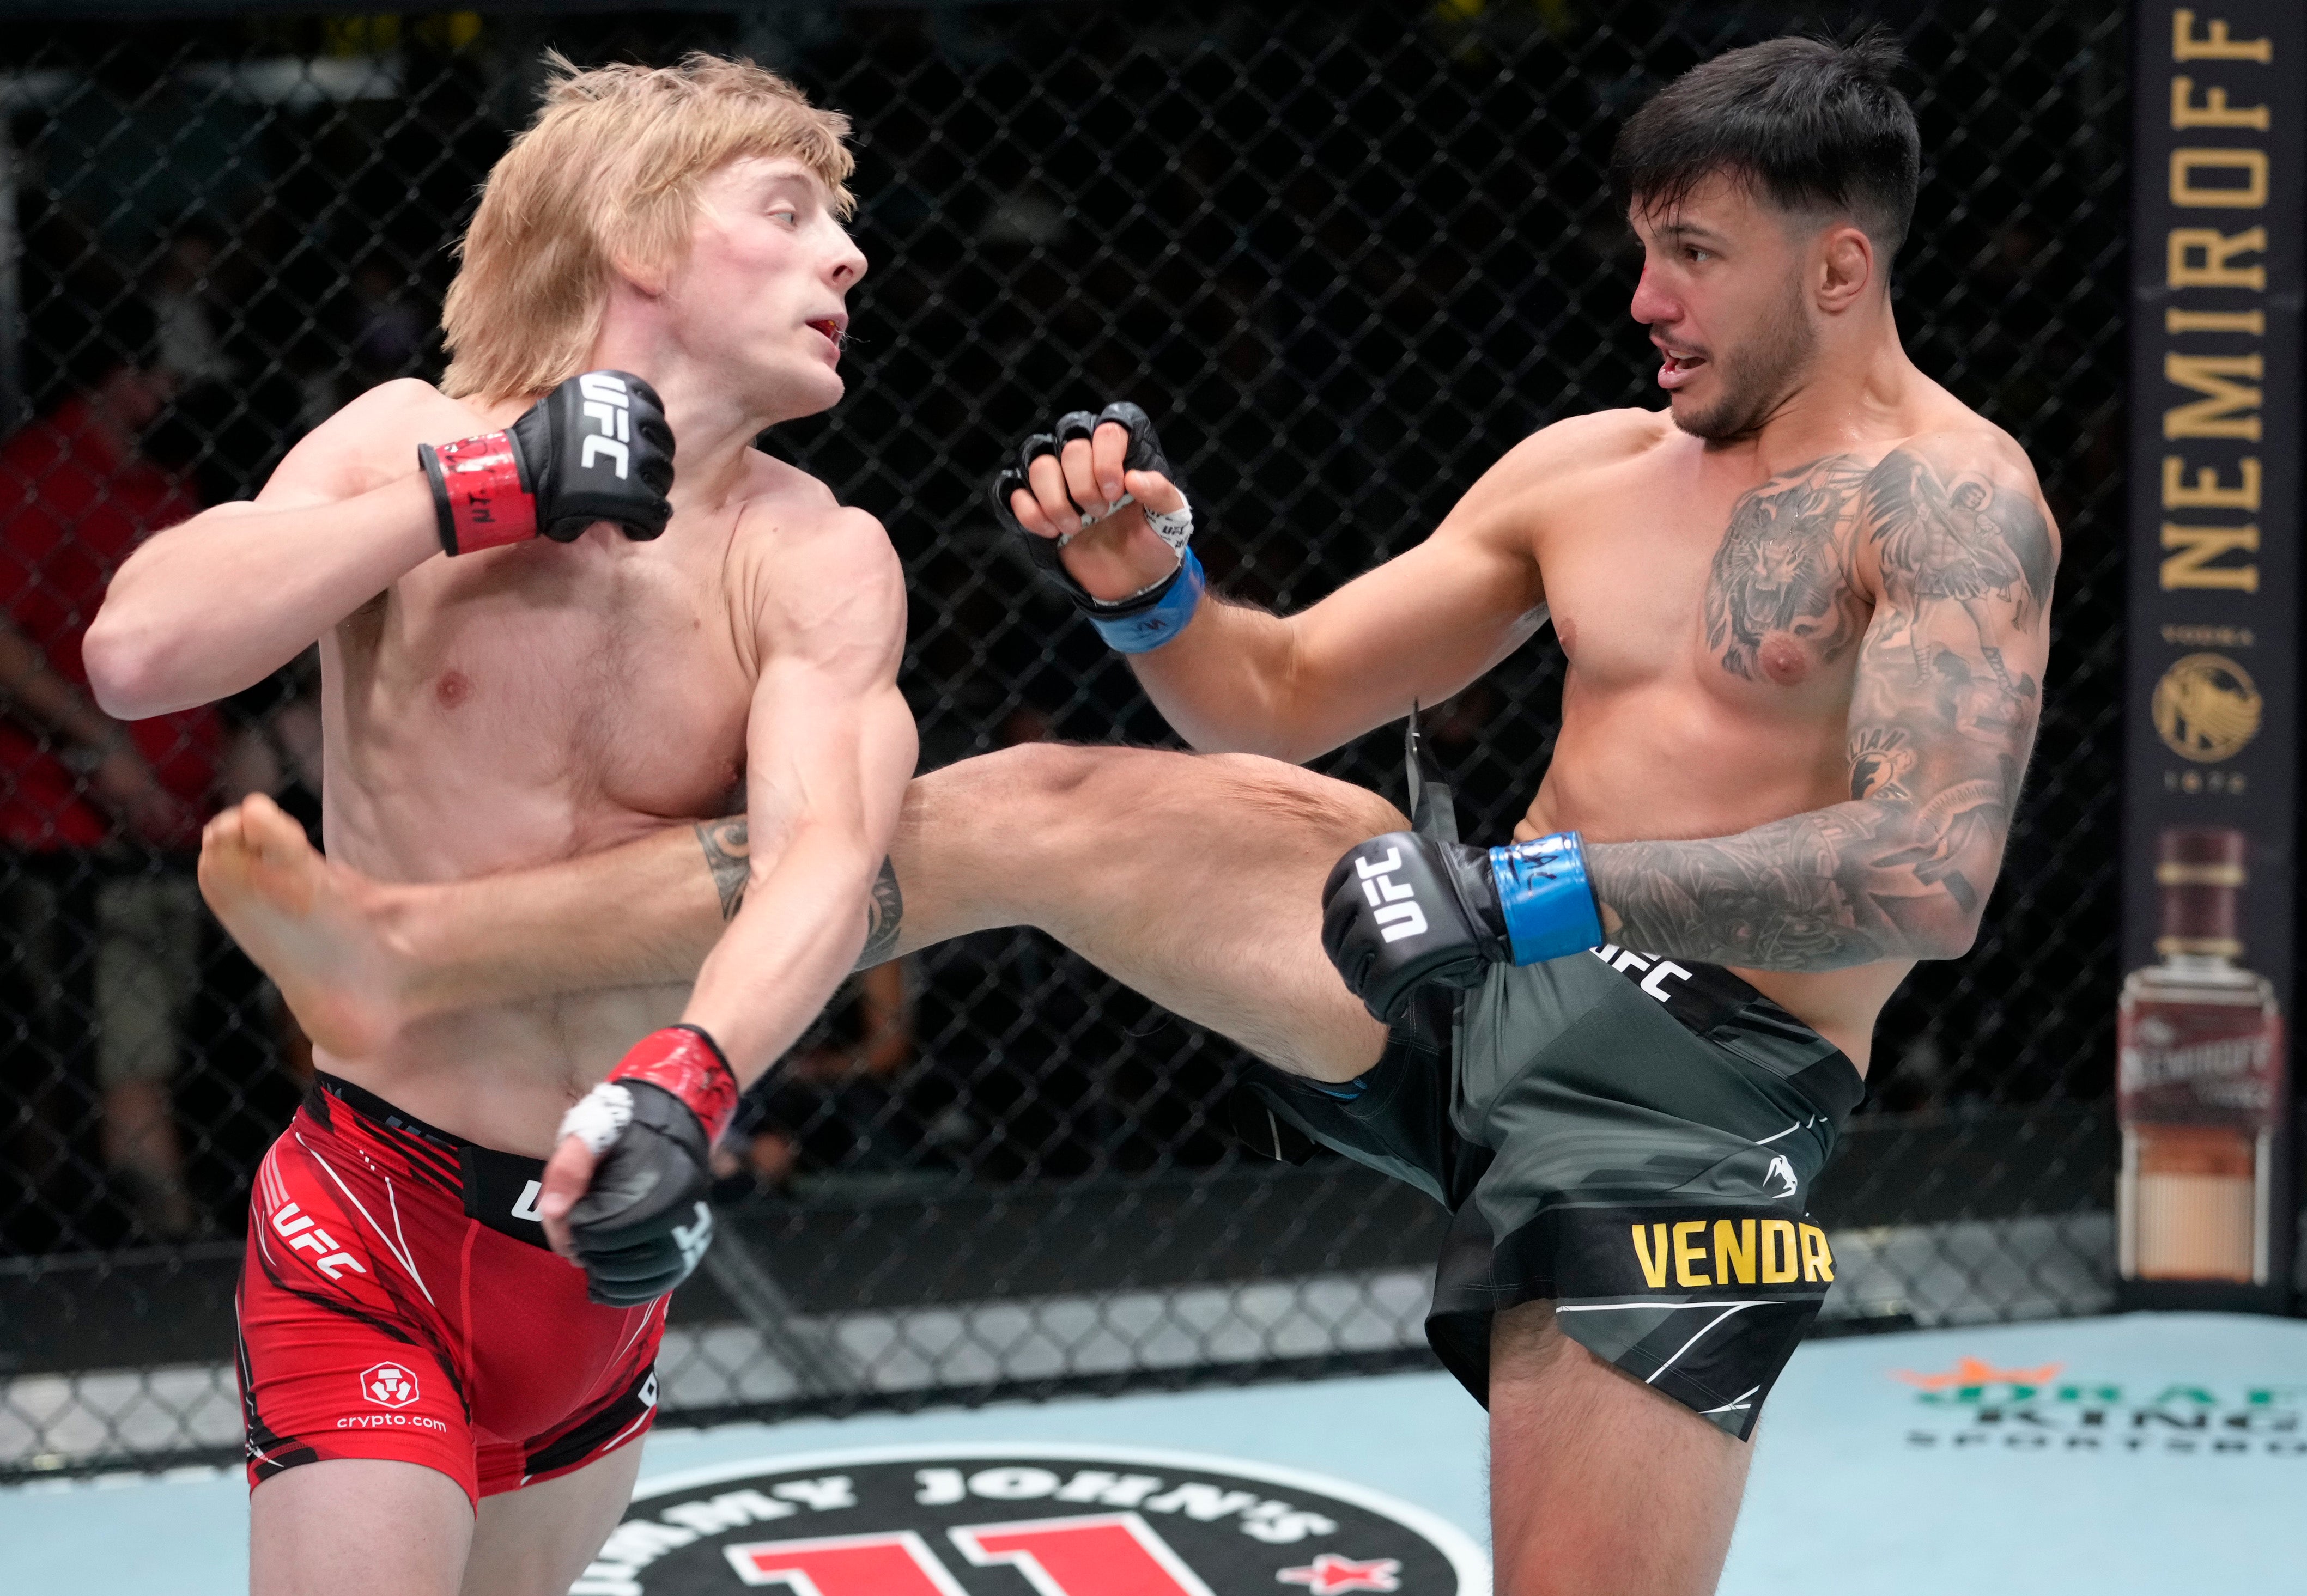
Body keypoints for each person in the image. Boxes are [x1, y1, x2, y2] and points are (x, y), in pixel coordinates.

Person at [195, 35, 2056, 1595]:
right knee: (1031, 803)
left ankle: (427, 958)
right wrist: (1152, 591)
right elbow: (1280, 695)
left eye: (1692, 256)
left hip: (1684, 1088)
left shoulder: (1950, 507)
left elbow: (1924, 874)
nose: (1643, 301)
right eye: (1644, 249)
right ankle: (411, 953)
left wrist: (1520, 895)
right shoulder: (1586, 469)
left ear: (1836, 270)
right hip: (1473, 964)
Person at [85, 54, 913, 1596]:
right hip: (373, 1223)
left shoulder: (817, 552)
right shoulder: (405, 432)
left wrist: (689, 1080)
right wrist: (481, 489)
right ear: (640, 238)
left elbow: (826, 859)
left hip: (603, 1242)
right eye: (791, 213)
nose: (846, 254)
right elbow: (139, 654)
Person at [1, 291, 218, 1242]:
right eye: (158, 372)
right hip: (71, 829)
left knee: (160, 1030)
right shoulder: (38, 472)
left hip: (182, 821)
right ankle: (162, 1227)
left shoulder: (162, 486)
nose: (173, 389)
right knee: (116, 1041)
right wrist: (98, 747)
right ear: (118, 377)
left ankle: (137, 1213)